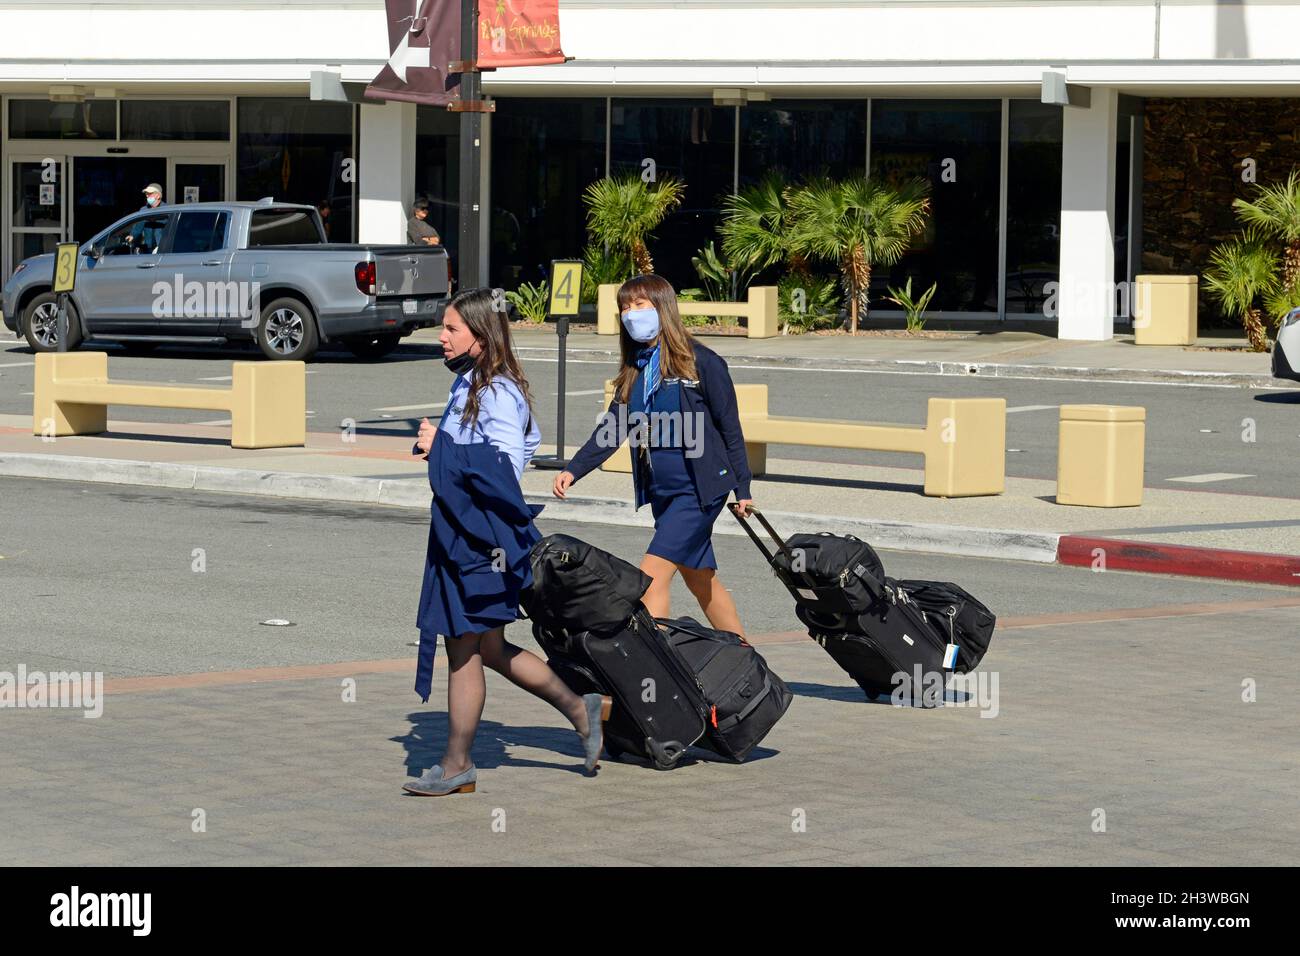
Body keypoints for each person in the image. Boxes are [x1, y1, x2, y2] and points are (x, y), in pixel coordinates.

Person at [406, 287, 606, 797]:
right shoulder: (474, 384)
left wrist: (441, 448)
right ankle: (580, 708)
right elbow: (526, 443)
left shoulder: (495, 390)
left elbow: (506, 463)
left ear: (481, 335)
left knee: (464, 652)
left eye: (452, 329)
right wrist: (446, 449)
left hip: (478, 544)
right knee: (489, 647)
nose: (441, 338)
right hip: (463, 535)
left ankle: (457, 765)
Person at [553, 274, 755, 636]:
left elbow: (730, 429)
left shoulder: (702, 363)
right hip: (663, 492)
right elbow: (613, 427)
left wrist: (743, 488)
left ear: (663, 307)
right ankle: (744, 656)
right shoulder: (637, 368)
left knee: (650, 578)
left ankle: (656, 672)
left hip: (698, 492)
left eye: (640, 305)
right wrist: (575, 469)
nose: (631, 314)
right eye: (625, 307)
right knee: (701, 581)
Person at [126, 183, 166, 252]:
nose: (147, 195)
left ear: (158, 196)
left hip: (163, 248)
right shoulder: (144, 210)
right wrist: (132, 236)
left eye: (150, 193)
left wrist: (153, 219)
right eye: (146, 193)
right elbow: (138, 226)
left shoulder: (167, 209)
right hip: (148, 248)